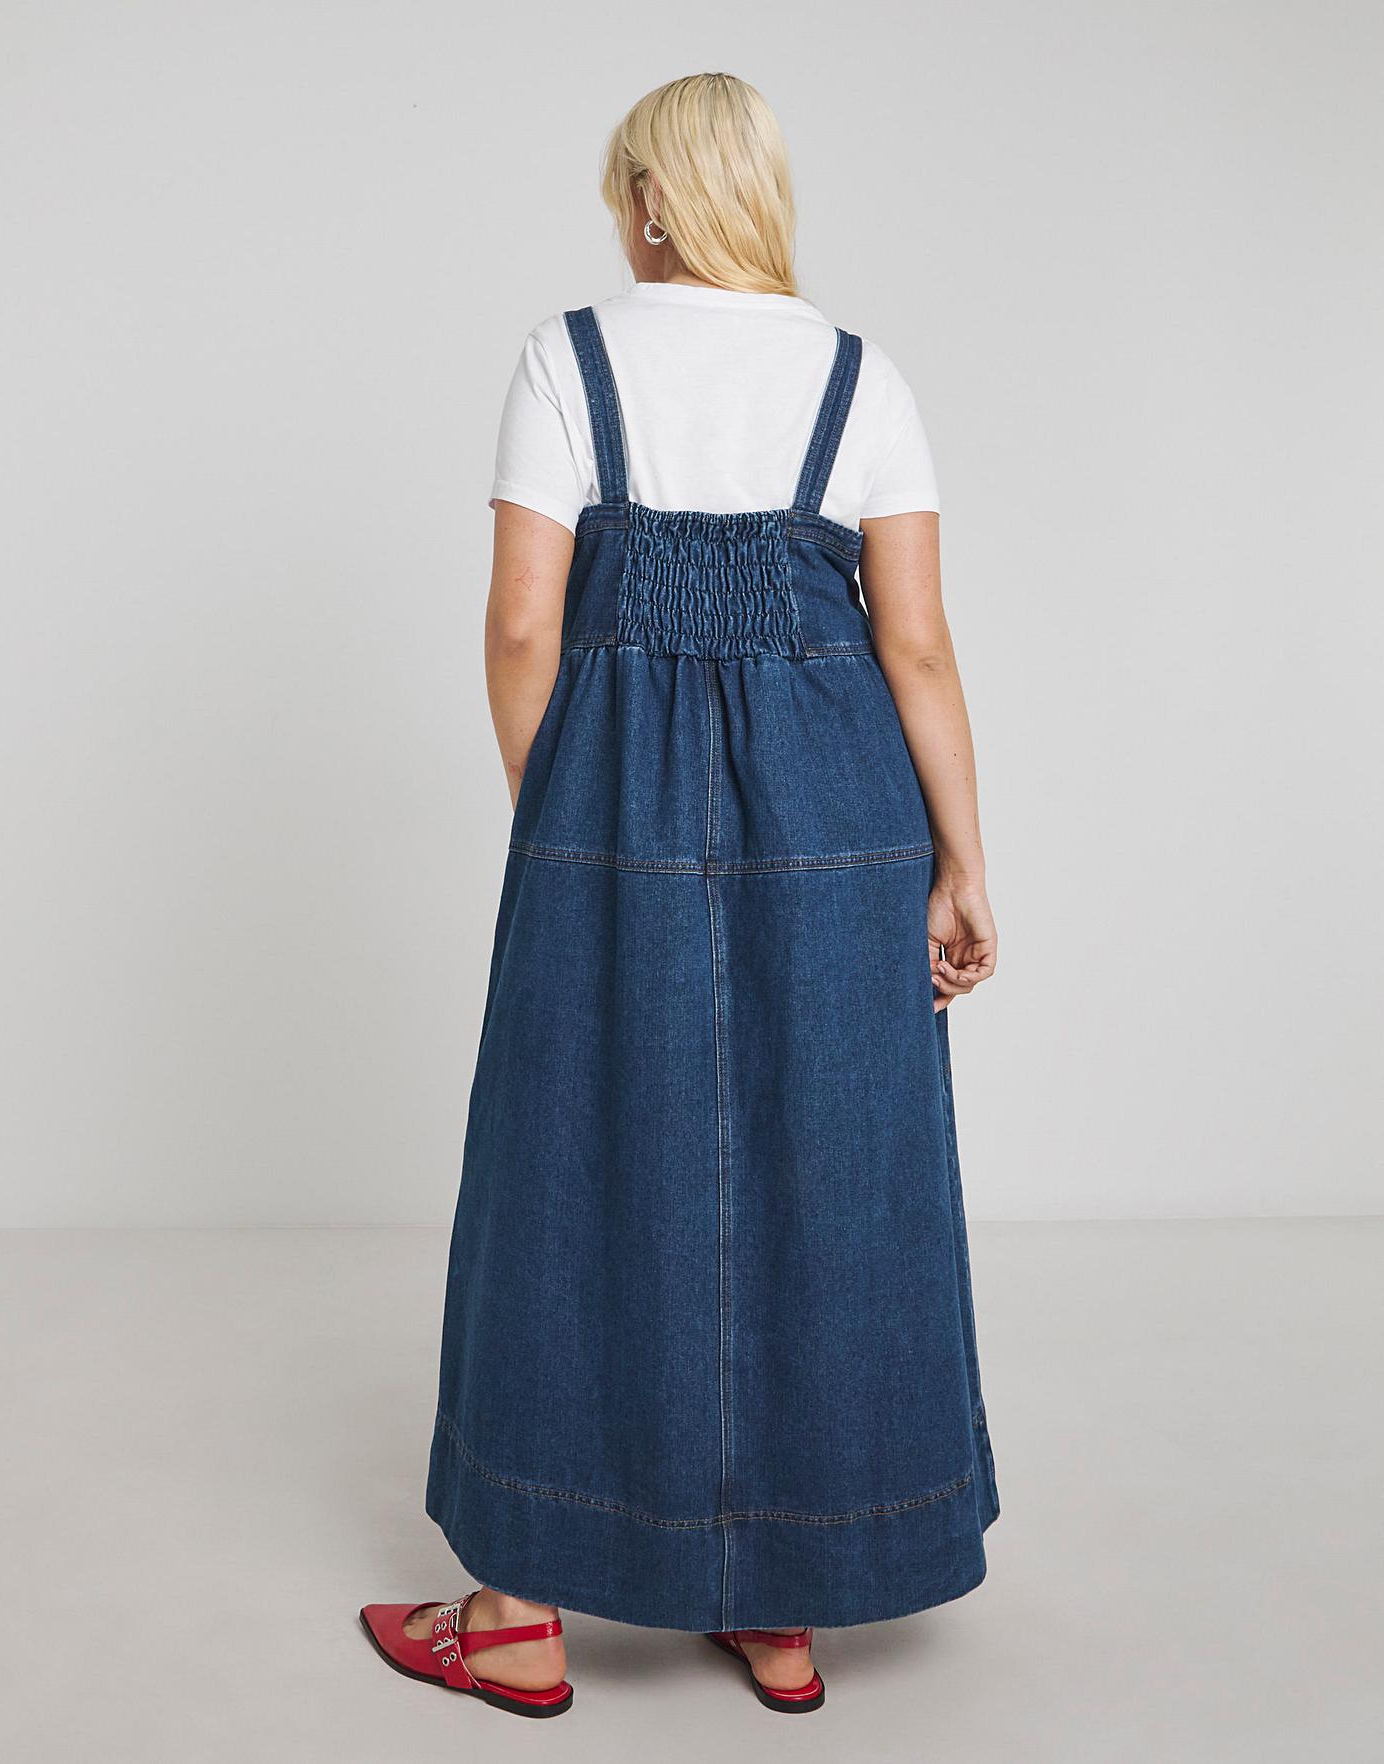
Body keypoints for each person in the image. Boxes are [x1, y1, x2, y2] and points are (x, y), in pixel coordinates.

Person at [361, 70, 999, 1719]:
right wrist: (961, 861)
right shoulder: (861, 378)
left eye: (621, 193)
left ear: (651, 198)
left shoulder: (567, 358)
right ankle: (782, 1602)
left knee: (567, 1158)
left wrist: (563, 808)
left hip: (610, 807)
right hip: (846, 813)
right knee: (826, 1169)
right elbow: (918, 644)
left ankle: (517, 1612)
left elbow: (523, 623)